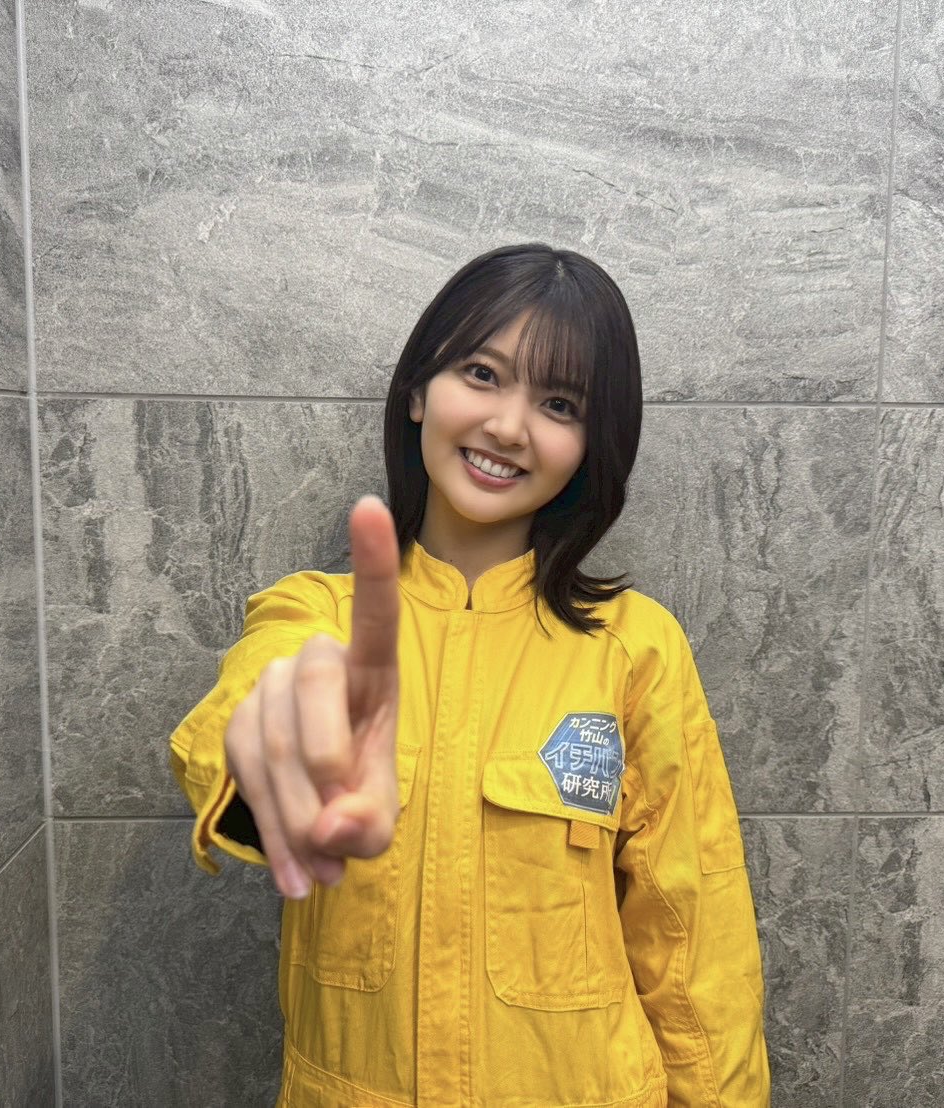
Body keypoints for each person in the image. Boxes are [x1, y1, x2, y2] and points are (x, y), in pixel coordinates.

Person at [168, 242, 771, 1106]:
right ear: (419, 391)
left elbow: (692, 932)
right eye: (482, 375)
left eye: (558, 403)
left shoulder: (634, 648)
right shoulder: (316, 615)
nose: (508, 427)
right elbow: (248, 713)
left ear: (589, 444)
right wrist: (280, 743)